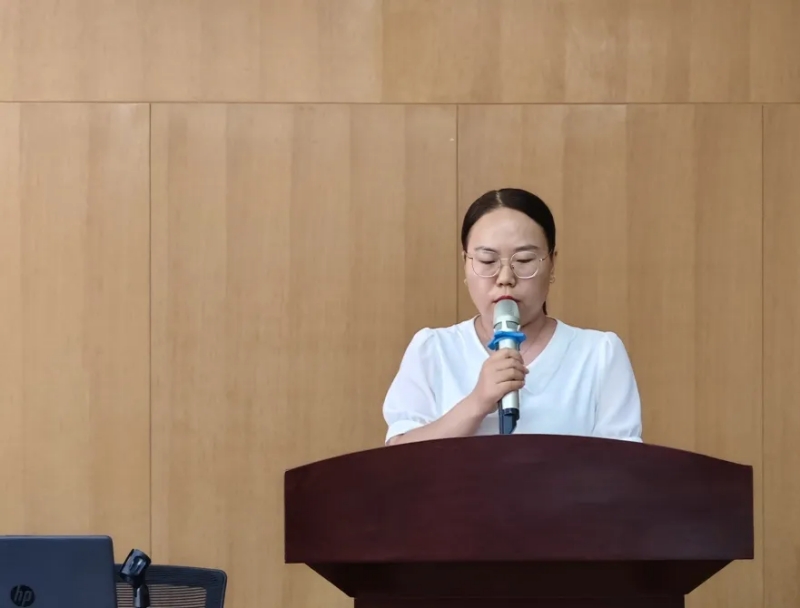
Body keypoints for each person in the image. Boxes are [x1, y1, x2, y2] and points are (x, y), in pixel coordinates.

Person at [382, 188, 643, 445]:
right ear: (466, 263)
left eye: (525, 260)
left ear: (552, 263)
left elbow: (624, 464)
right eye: (487, 261)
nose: (505, 278)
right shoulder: (433, 350)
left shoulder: (599, 354)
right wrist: (477, 402)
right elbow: (399, 458)